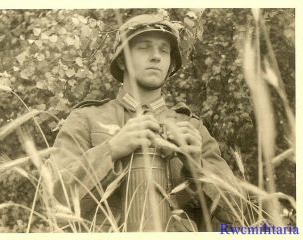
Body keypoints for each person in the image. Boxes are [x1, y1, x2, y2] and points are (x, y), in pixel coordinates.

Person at [51, 14, 243, 232]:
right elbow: (53, 197)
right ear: (122, 59)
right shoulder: (87, 118)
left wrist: (197, 168)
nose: (156, 57)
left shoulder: (191, 127)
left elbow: (238, 214)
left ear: (171, 64)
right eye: (144, 47)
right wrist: (111, 150)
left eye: (164, 50)